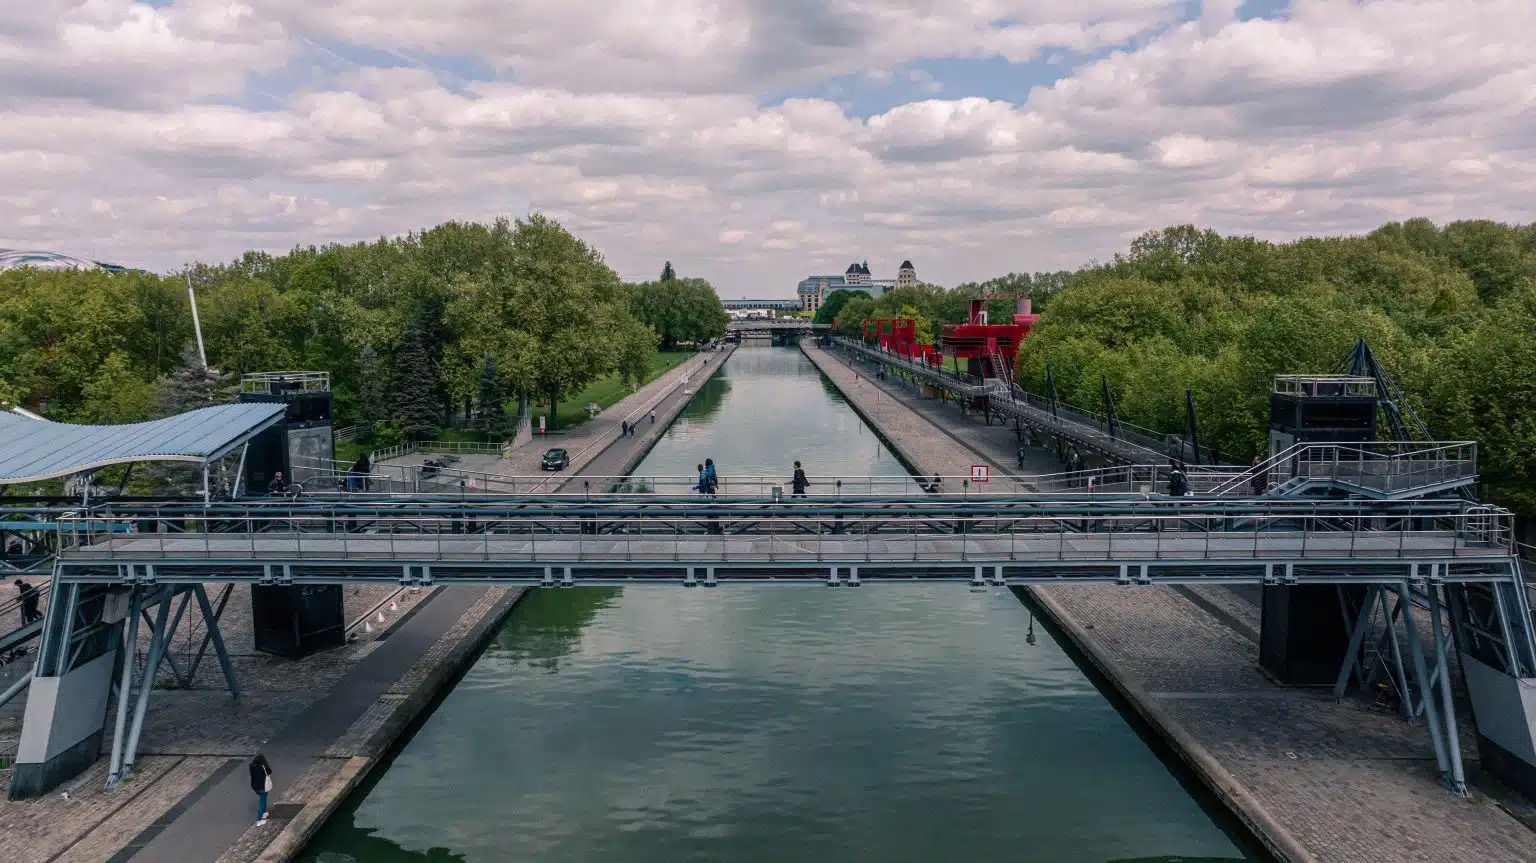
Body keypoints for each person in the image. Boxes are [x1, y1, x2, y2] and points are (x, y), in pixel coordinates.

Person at [250, 753, 273, 826]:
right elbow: (269, 771)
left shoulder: (251, 765)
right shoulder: (263, 766)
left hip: (254, 786)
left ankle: (264, 813)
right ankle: (260, 820)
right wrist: (265, 765)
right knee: (262, 802)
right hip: (263, 786)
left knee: (263, 798)